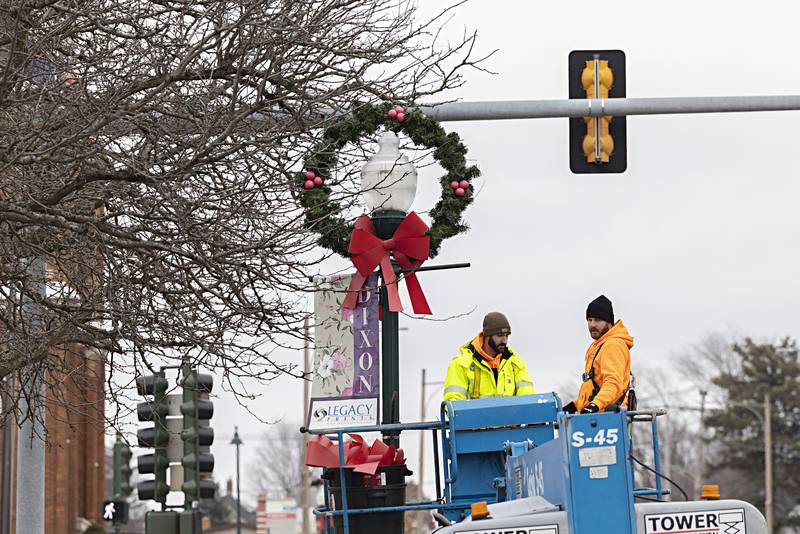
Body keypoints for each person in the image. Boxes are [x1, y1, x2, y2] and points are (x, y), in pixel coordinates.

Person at [563, 295, 634, 414]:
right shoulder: (599, 345)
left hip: (608, 418)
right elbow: (595, 385)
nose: (592, 325)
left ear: (609, 322)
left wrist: (595, 405)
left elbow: (613, 383)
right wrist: (576, 405)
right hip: (599, 417)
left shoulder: (612, 345)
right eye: (589, 320)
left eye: (597, 320)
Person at [443, 312, 535, 401]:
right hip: (474, 417)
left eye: (507, 336)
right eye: (500, 335)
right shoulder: (461, 364)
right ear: (487, 336)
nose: (505, 340)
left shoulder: (515, 364)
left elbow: (528, 399)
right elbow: (454, 404)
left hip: (510, 417)